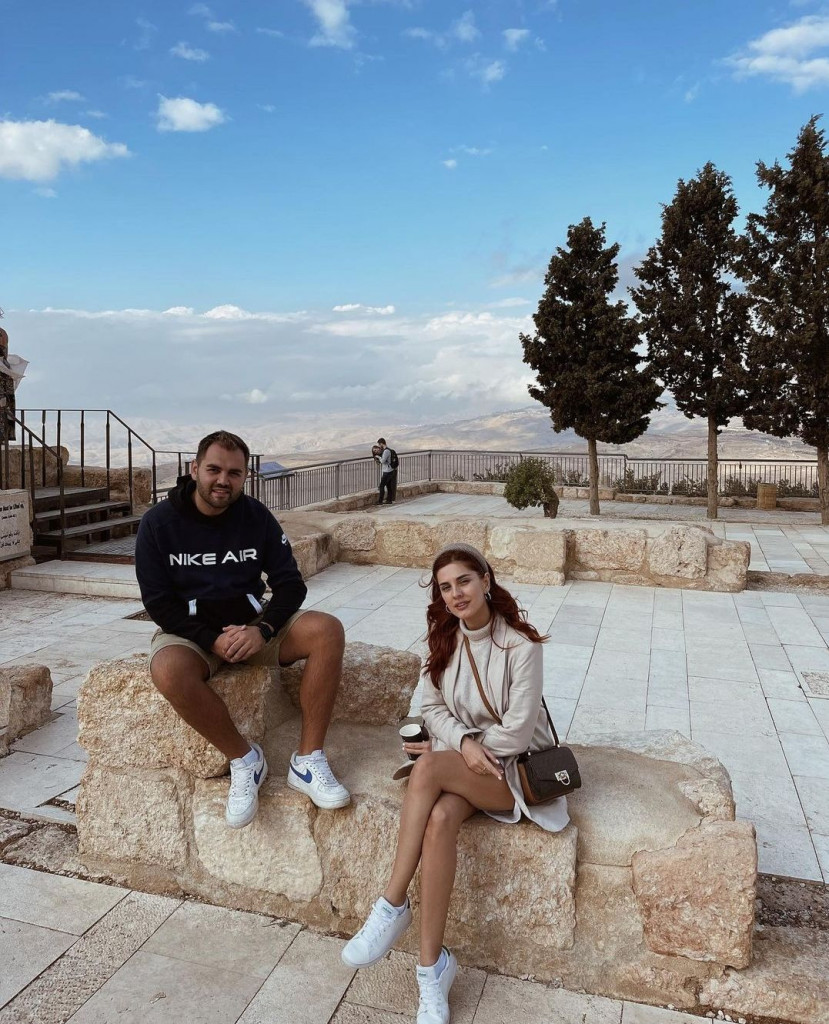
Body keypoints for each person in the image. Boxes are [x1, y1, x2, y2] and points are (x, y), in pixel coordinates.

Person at [341, 543, 568, 1024]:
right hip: (469, 768)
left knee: (427, 769)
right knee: (440, 818)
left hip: (513, 773)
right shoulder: (444, 642)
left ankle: (391, 903)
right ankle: (432, 968)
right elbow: (430, 707)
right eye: (445, 587)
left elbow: (518, 732)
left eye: (464, 581)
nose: (456, 594)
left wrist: (459, 747)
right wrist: (460, 743)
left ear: (485, 580)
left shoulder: (521, 647)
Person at [135, 429, 350, 829]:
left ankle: (307, 760)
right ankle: (245, 759)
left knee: (327, 630)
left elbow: (291, 584)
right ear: (194, 469)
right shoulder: (158, 523)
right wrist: (211, 639)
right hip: (193, 632)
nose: (223, 480)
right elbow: (158, 602)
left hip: (252, 624)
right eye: (214, 469)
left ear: (245, 476)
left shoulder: (255, 516)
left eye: (234, 473)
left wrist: (263, 630)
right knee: (167, 669)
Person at [375, 437, 397, 505]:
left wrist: (378, 457)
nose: (379, 446)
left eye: (379, 445)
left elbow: (383, 461)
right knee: (388, 486)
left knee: (381, 486)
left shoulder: (386, 451)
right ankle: (389, 500)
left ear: (381, 443)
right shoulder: (388, 450)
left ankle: (380, 501)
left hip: (387, 471)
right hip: (390, 470)